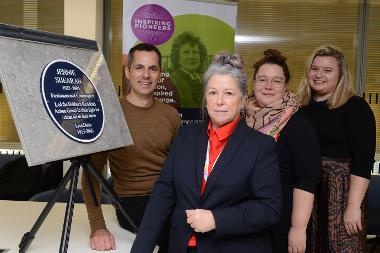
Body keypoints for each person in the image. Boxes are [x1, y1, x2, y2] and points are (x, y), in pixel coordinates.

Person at [131, 53, 282, 253]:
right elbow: (163, 195)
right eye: (212, 93)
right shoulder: (186, 136)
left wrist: (217, 219)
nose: (219, 101)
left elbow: (269, 208)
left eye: (228, 93)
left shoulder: (261, 146)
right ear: (205, 97)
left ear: (243, 99)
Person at [81, 43, 182, 251]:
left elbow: (181, 168)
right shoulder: (110, 115)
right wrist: (98, 226)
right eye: (139, 68)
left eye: (153, 69)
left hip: (170, 195)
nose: (146, 75)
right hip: (133, 201)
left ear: (159, 74)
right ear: (127, 72)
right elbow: (91, 174)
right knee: (173, 235)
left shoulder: (171, 115)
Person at [297, 45, 376, 253]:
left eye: (328, 70)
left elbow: (363, 161)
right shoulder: (299, 109)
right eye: (314, 68)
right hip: (306, 192)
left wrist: (353, 206)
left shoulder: (356, 108)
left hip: (341, 194)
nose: (319, 74)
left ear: (341, 75)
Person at [245, 49, 321, 253]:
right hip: (242, 218)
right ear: (254, 83)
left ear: (286, 86)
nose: (268, 86)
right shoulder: (239, 117)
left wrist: (298, 229)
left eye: (276, 81)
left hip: (281, 220)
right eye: (262, 79)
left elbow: (307, 179)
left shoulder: (298, 124)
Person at [170, 31, 208, 108]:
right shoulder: (173, 80)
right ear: (177, 57)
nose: (191, 57)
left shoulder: (204, 79)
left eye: (195, 52)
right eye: (186, 52)